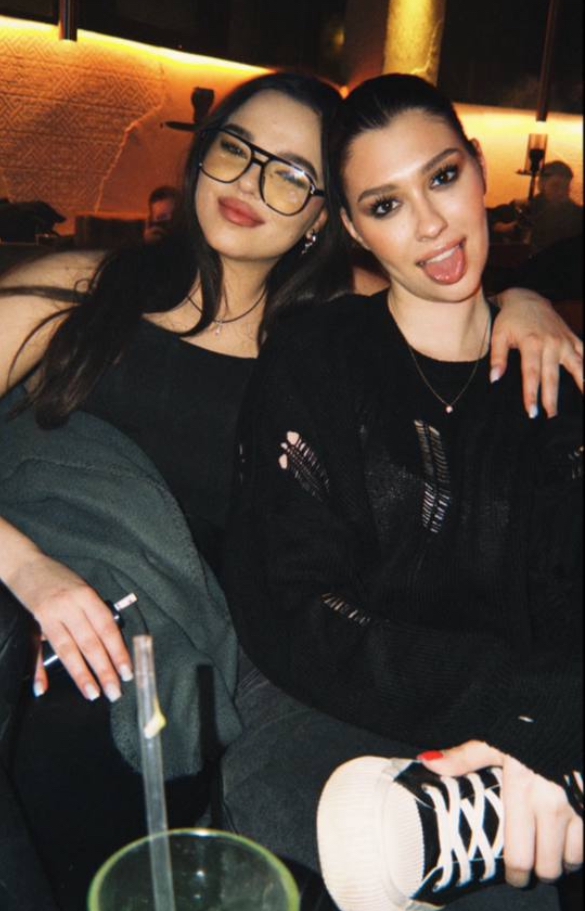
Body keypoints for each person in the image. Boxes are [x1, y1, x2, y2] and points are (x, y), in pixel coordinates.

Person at [0, 68, 580, 911]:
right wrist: (22, 565)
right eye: (235, 150)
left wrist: (524, 301)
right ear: (201, 156)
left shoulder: (317, 337)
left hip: (223, 666)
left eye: (291, 173)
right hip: (57, 635)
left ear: (322, 219)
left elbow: (438, 283)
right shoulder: (82, 291)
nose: (250, 183)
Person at [221, 74, 583, 911]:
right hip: (339, 711)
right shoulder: (316, 357)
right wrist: (530, 708)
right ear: (351, 229)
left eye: (442, 177)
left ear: (479, 171)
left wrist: (551, 725)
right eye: (384, 205)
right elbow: (293, 604)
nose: (428, 224)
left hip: (530, 728)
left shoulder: (555, 376)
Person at [488, 160, 582, 254]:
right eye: (555, 186)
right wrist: (502, 227)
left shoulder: (577, 215)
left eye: (566, 187)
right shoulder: (528, 206)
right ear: (541, 184)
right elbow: (485, 216)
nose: (561, 192)